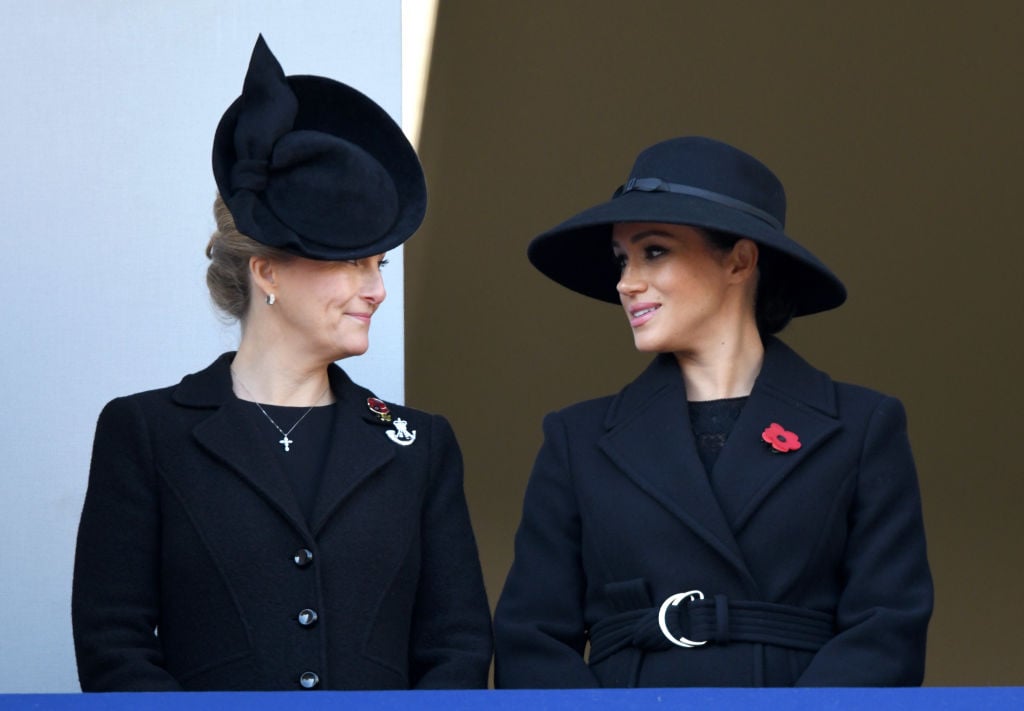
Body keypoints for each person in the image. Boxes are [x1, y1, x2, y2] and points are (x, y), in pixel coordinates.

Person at [72, 36, 492, 691]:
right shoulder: (147, 434)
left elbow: (458, 649)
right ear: (267, 271)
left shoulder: (421, 446)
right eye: (353, 261)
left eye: (379, 264)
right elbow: (114, 649)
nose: (377, 288)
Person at [493, 136, 932, 687]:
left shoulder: (862, 427)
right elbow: (529, 641)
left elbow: (887, 628)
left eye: (654, 251)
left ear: (740, 260)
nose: (627, 282)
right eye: (621, 259)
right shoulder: (575, 439)